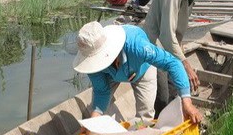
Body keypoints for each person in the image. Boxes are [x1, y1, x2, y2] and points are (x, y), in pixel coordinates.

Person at [142, 0, 231, 115]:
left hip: (169, 47)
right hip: (155, 47)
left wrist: (181, 55)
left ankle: (172, 121)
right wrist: (186, 64)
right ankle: (159, 129)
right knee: (162, 97)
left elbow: (177, 29)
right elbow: (166, 35)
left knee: (176, 91)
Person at [73, 21, 203, 124]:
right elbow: (102, 91)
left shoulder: (138, 47)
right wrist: (94, 119)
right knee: (97, 117)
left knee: (145, 116)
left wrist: (187, 102)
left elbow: (172, 63)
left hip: (141, 68)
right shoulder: (94, 66)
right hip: (111, 74)